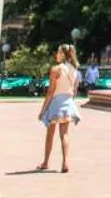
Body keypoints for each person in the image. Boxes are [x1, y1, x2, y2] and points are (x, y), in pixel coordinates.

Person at [37, 44, 82, 172]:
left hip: (56, 102)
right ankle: (65, 163)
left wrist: (43, 110)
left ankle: (46, 162)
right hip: (68, 102)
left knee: (50, 134)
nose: (56, 55)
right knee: (65, 134)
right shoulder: (74, 70)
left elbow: (51, 91)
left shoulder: (56, 69)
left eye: (58, 52)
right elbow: (74, 89)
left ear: (63, 54)